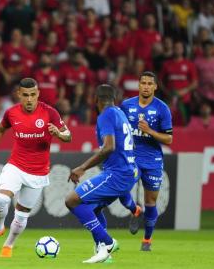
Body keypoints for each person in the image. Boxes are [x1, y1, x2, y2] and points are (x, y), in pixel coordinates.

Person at [0, 78, 71, 258]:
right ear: (19, 94)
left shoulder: (50, 113)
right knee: (2, 199)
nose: (29, 99)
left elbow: (68, 136)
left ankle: (8, 245)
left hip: (38, 172)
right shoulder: (11, 113)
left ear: (38, 94)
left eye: (33, 95)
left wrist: (58, 134)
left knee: (22, 214)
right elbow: (0, 130)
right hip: (16, 166)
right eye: (25, 95)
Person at [65, 84, 138, 263]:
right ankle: (104, 254)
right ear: (114, 99)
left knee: (72, 201)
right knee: (94, 208)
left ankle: (108, 242)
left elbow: (109, 147)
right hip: (127, 172)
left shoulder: (106, 115)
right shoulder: (120, 114)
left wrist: (82, 168)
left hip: (117, 174)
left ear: (95, 99)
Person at [120, 71, 173, 251]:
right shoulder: (126, 106)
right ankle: (135, 210)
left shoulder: (162, 109)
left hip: (152, 161)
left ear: (155, 86)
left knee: (150, 202)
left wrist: (150, 131)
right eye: (143, 83)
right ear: (139, 84)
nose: (146, 86)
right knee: (120, 188)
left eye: (150, 83)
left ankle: (147, 241)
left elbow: (169, 139)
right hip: (131, 158)